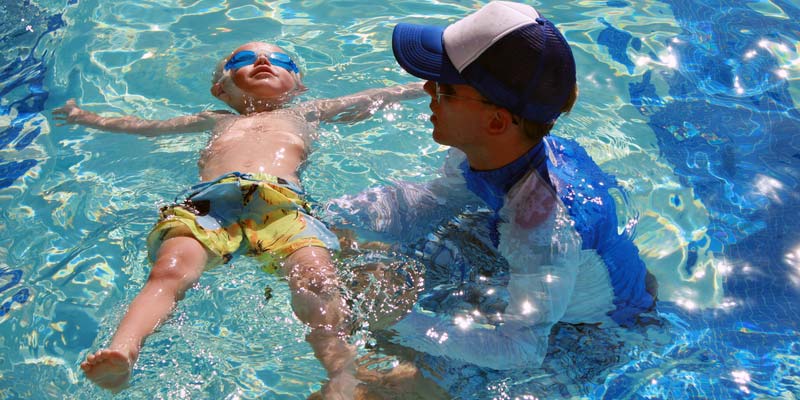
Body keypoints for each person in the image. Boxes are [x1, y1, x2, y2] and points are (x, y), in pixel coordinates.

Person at [53, 41, 424, 398]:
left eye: (281, 62)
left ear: (299, 85)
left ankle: (341, 372)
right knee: (170, 268)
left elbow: (377, 96)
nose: (263, 61)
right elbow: (146, 127)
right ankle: (124, 351)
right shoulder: (214, 119)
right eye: (246, 58)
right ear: (221, 89)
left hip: (282, 204)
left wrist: (431, 84)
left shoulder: (305, 113)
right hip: (211, 203)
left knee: (317, 277)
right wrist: (88, 118)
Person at [323, 0, 658, 389]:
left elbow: (520, 350)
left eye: (445, 88)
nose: (428, 90)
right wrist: (329, 215)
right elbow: (433, 202)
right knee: (354, 259)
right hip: (530, 270)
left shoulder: (544, 224)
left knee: (380, 389)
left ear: (496, 121)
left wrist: (397, 318)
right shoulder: (488, 147)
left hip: (588, 335)